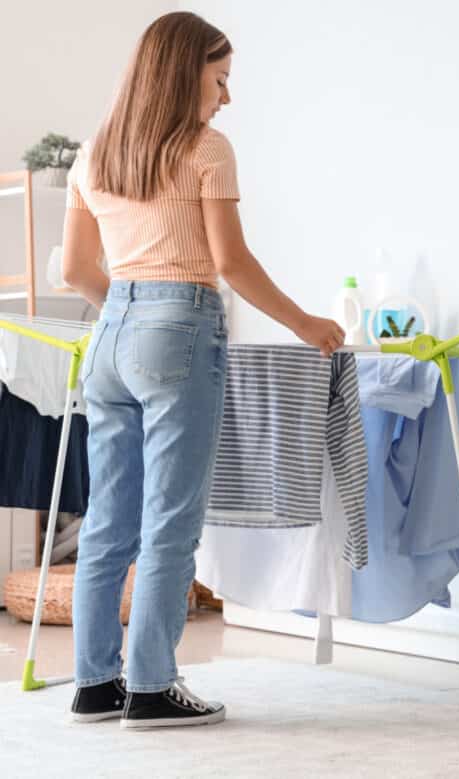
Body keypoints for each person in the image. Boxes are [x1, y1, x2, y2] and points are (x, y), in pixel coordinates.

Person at [62, 12, 345, 729]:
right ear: (184, 72)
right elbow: (231, 264)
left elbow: (72, 270)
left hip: (109, 335)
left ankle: (96, 683)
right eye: (220, 79)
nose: (226, 97)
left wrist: (129, 316)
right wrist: (308, 323)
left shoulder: (93, 153)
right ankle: (152, 686)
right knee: (169, 521)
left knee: (105, 521)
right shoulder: (206, 149)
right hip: (178, 326)